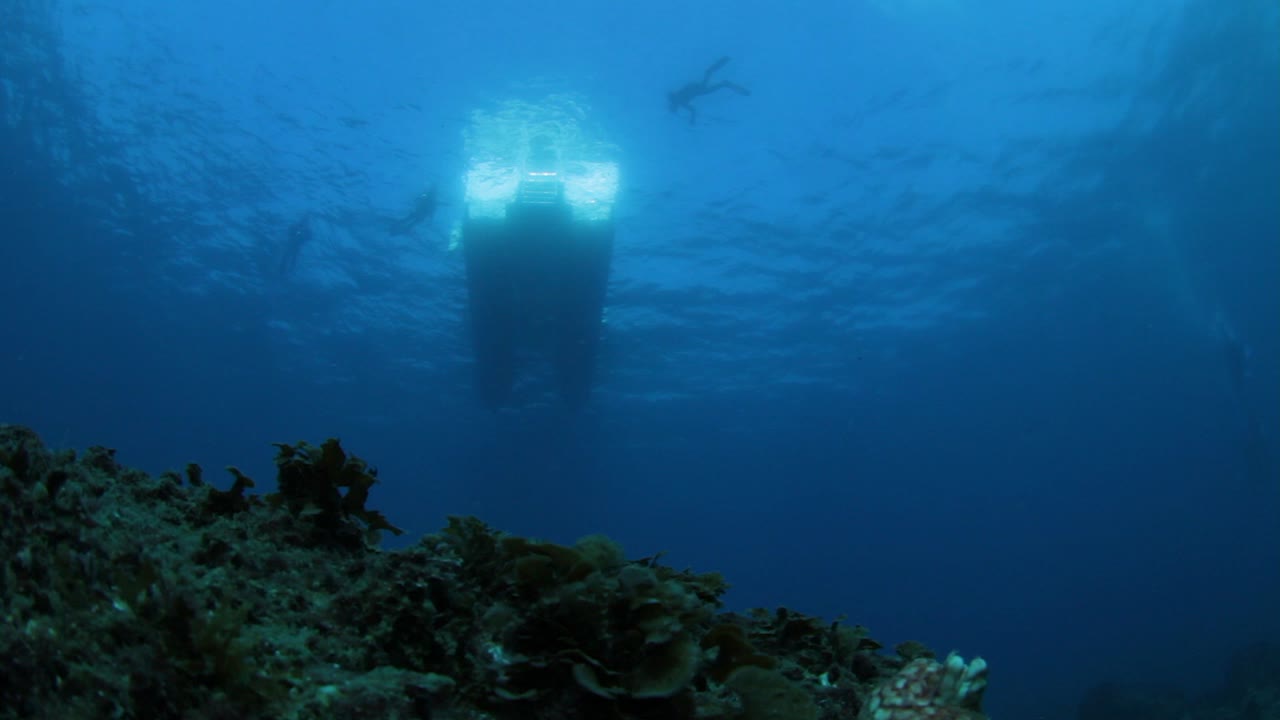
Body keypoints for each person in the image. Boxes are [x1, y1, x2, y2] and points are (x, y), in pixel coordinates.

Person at [667, 56, 751, 125]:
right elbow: (691, 108)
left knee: (713, 80)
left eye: (674, 107)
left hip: (699, 90)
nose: (675, 106)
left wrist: (692, 120)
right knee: (708, 74)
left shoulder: (680, 102)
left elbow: (693, 110)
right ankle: (724, 63)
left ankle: (724, 76)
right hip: (697, 88)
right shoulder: (676, 99)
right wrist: (692, 119)